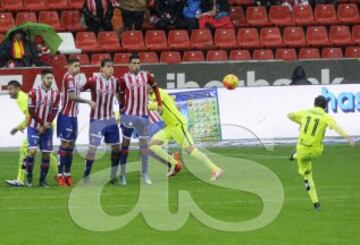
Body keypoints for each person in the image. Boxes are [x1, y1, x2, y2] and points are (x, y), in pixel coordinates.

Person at [288, 95, 355, 210]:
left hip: (302, 148)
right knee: (313, 153)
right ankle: (316, 204)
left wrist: (300, 123)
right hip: (315, 151)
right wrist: (347, 137)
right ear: (325, 107)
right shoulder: (326, 117)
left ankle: (315, 201)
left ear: (314, 104)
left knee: (307, 176)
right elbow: (336, 127)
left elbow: (289, 115)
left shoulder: (306, 112)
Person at [148, 86, 224, 180]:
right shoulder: (149, 95)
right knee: (152, 145)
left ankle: (216, 169)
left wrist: (148, 105)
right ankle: (175, 163)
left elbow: (157, 103)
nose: (148, 86)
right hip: (170, 127)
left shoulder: (159, 92)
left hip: (178, 125)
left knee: (191, 150)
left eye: (149, 84)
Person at [117, 53, 163, 185]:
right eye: (134, 63)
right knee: (125, 144)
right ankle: (123, 175)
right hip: (129, 115)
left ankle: (145, 173)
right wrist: (122, 110)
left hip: (143, 115)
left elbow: (155, 88)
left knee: (144, 145)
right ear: (129, 65)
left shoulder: (146, 76)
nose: (136, 65)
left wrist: (159, 103)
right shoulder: (123, 79)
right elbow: (119, 94)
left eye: (138, 63)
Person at [5, 80, 58, 187]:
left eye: (11, 89)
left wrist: (18, 127)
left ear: (17, 88)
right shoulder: (22, 97)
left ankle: (20, 179)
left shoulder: (21, 98)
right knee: (46, 152)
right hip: (46, 124)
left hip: (39, 125)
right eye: (8, 89)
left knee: (25, 149)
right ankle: (60, 174)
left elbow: (29, 116)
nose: (9, 92)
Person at [57, 58, 96, 186]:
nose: (78, 68)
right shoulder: (68, 77)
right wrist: (88, 102)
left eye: (79, 66)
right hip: (66, 116)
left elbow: (78, 90)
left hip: (73, 117)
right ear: (68, 66)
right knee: (65, 145)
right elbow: (72, 97)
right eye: (75, 66)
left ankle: (67, 174)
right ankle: (60, 175)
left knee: (71, 146)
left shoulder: (76, 79)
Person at [82, 59, 121, 184]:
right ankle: (86, 175)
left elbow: (119, 96)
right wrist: (87, 102)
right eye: (108, 66)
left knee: (116, 147)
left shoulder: (115, 82)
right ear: (102, 69)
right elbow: (78, 90)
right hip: (96, 120)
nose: (111, 69)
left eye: (112, 66)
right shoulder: (93, 81)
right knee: (92, 149)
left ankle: (113, 176)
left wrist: (121, 109)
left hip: (110, 119)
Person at [24, 69, 60, 187]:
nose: (50, 80)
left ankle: (42, 180)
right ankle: (29, 174)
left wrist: (47, 124)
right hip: (34, 126)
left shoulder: (55, 94)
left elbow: (54, 110)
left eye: (51, 78)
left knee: (46, 154)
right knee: (33, 151)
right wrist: (41, 123)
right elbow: (31, 109)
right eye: (47, 78)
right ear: (42, 79)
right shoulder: (33, 92)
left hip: (47, 128)